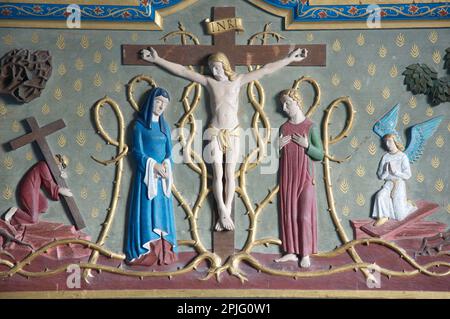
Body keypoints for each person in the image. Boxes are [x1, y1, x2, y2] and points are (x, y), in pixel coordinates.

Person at [140, 47, 308, 231]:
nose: (215, 71)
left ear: (225, 66)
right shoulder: (210, 82)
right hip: (215, 131)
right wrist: (157, 59)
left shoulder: (238, 81)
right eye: (212, 68)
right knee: (218, 174)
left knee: (230, 174)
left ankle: (226, 212)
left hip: (234, 132)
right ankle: (221, 210)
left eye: (218, 67)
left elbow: (266, 69)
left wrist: (290, 58)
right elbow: (182, 71)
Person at [124, 87, 178, 266]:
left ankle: (164, 252)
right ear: (150, 102)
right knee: (146, 212)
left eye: (165, 104)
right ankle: (146, 252)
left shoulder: (165, 128)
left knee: (162, 214)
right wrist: (153, 165)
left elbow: (169, 153)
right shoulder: (139, 126)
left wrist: (165, 165)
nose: (162, 106)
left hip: (162, 179)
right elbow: (136, 152)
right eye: (159, 101)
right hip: (146, 180)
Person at [274, 89, 323, 268]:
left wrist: (307, 146)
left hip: (305, 177)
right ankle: (291, 252)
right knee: (289, 214)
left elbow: (320, 155)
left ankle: (305, 253)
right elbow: (277, 156)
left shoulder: (310, 127)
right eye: (283, 105)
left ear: (297, 102)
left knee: (303, 216)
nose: (285, 108)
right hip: (288, 177)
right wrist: (277, 147)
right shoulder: (284, 128)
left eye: (288, 103)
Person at [3, 154, 73, 226]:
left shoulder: (48, 168)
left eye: (62, 166)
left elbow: (51, 178)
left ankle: (25, 219)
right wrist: (60, 190)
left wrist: (61, 177)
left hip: (34, 189)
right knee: (33, 219)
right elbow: (48, 182)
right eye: (60, 163)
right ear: (56, 160)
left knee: (43, 205)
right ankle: (15, 212)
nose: (60, 167)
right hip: (28, 189)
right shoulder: (43, 165)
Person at [371, 134, 415, 226]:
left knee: (400, 217)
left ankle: (408, 205)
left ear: (395, 142)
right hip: (388, 184)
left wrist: (396, 172)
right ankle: (383, 217)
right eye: (385, 142)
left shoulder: (402, 156)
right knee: (379, 196)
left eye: (390, 141)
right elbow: (380, 175)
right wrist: (385, 173)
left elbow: (408, 175)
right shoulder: (385, 157)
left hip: (399, 184)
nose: (387, 144)